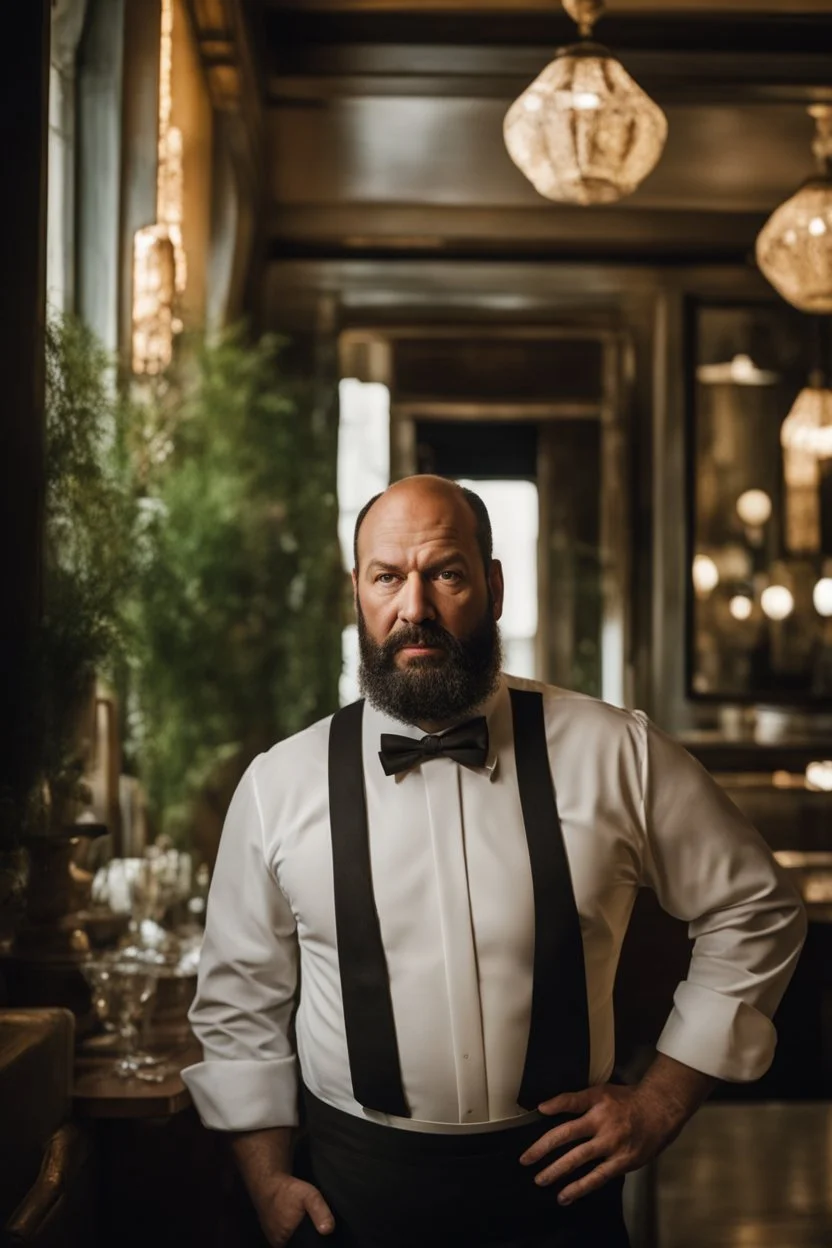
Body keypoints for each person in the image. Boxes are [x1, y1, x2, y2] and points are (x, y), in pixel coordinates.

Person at [183, 475, 806, 1248]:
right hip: (351, 1199)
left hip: (562, 1194)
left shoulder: (616, 752)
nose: (415, 608)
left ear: (495, 585)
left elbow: (757, 908)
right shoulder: (278, 784)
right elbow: (241, 1000)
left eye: (445, 573)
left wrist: (661, 1102)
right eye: (387, 577)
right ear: (357, 594)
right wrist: (266, 1180)